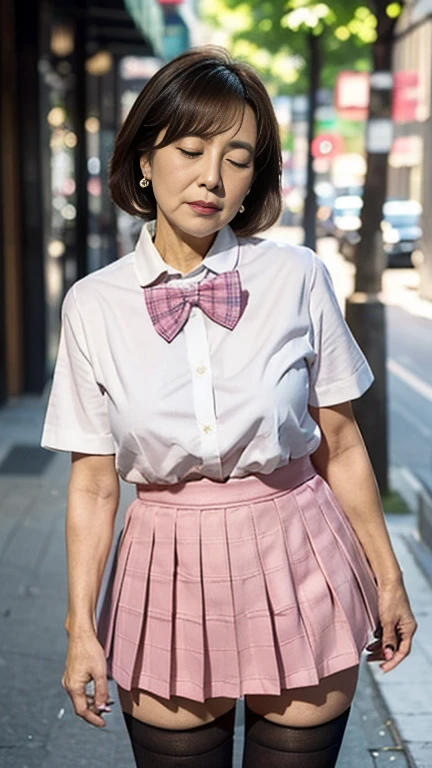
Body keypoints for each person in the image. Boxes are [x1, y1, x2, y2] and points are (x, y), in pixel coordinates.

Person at [41, 47, 417, 768]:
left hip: (300, 551)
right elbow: (92, 481)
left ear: (255, 180)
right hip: (166, 568)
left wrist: (390, 577)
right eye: (189, 149)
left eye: (238, 158)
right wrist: (79, 626)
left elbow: (339, 443)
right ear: (144, 159)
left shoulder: (298, 277)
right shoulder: (92, 305)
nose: (212, 177)